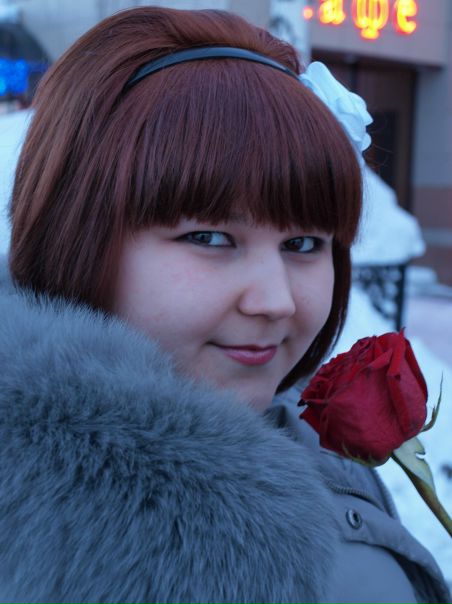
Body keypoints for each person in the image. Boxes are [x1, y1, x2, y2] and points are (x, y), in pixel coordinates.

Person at [0, 6, 450, 604]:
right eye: (210, 237)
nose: (276, 301)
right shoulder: (106, 555)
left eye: (303, 244)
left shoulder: (287, 424)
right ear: (74, 236)